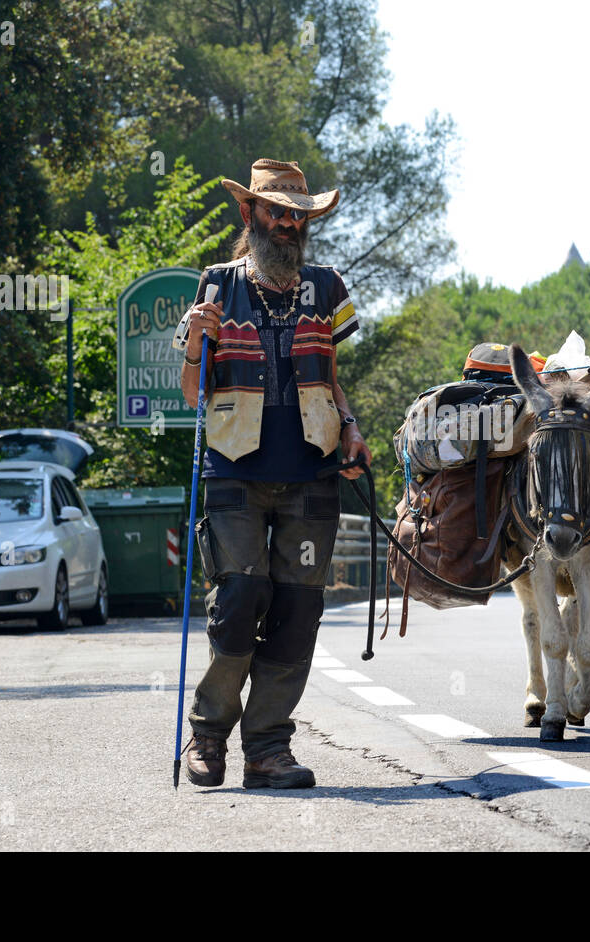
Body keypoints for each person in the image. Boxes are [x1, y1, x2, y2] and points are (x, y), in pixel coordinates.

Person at [178, 158, 370, 788]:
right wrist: (191, 346)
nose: (288, 224)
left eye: (299, 216)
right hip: (233, 468)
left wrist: (351, 426)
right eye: (277, 212)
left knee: (298, 608)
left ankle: (267, 750)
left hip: (311, 471)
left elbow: (333, 378)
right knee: (238, 599)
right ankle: (207, 736)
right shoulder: (217, 285)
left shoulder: (327, 287)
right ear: (251, 214)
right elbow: (191, 392)